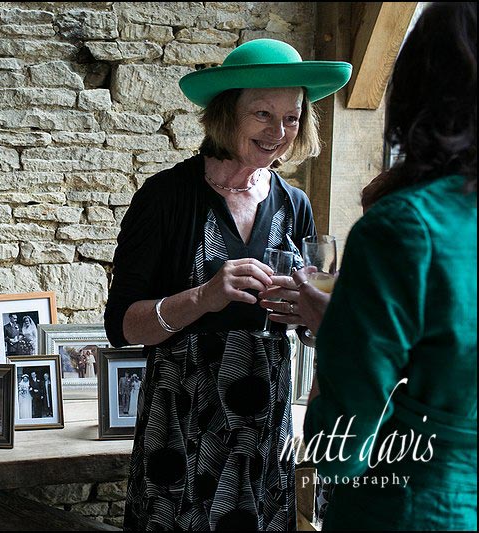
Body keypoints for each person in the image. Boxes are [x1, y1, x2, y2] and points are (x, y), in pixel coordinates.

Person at [104, 38, 352, 530]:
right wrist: (203, 296)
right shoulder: (165, 197)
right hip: (181, 425)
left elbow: (308, 329)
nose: (278, 132)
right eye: (262, 114)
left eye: (292, 117)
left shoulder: (295, 205)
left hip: (265, 428)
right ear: (225, 114)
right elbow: (122, 326)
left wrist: (310, 314)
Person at [265, 3, 477, 530]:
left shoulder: (404, 227)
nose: (280, 130)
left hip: (416, 505)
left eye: (292, 117)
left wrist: (338, 330)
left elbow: (343, 446)